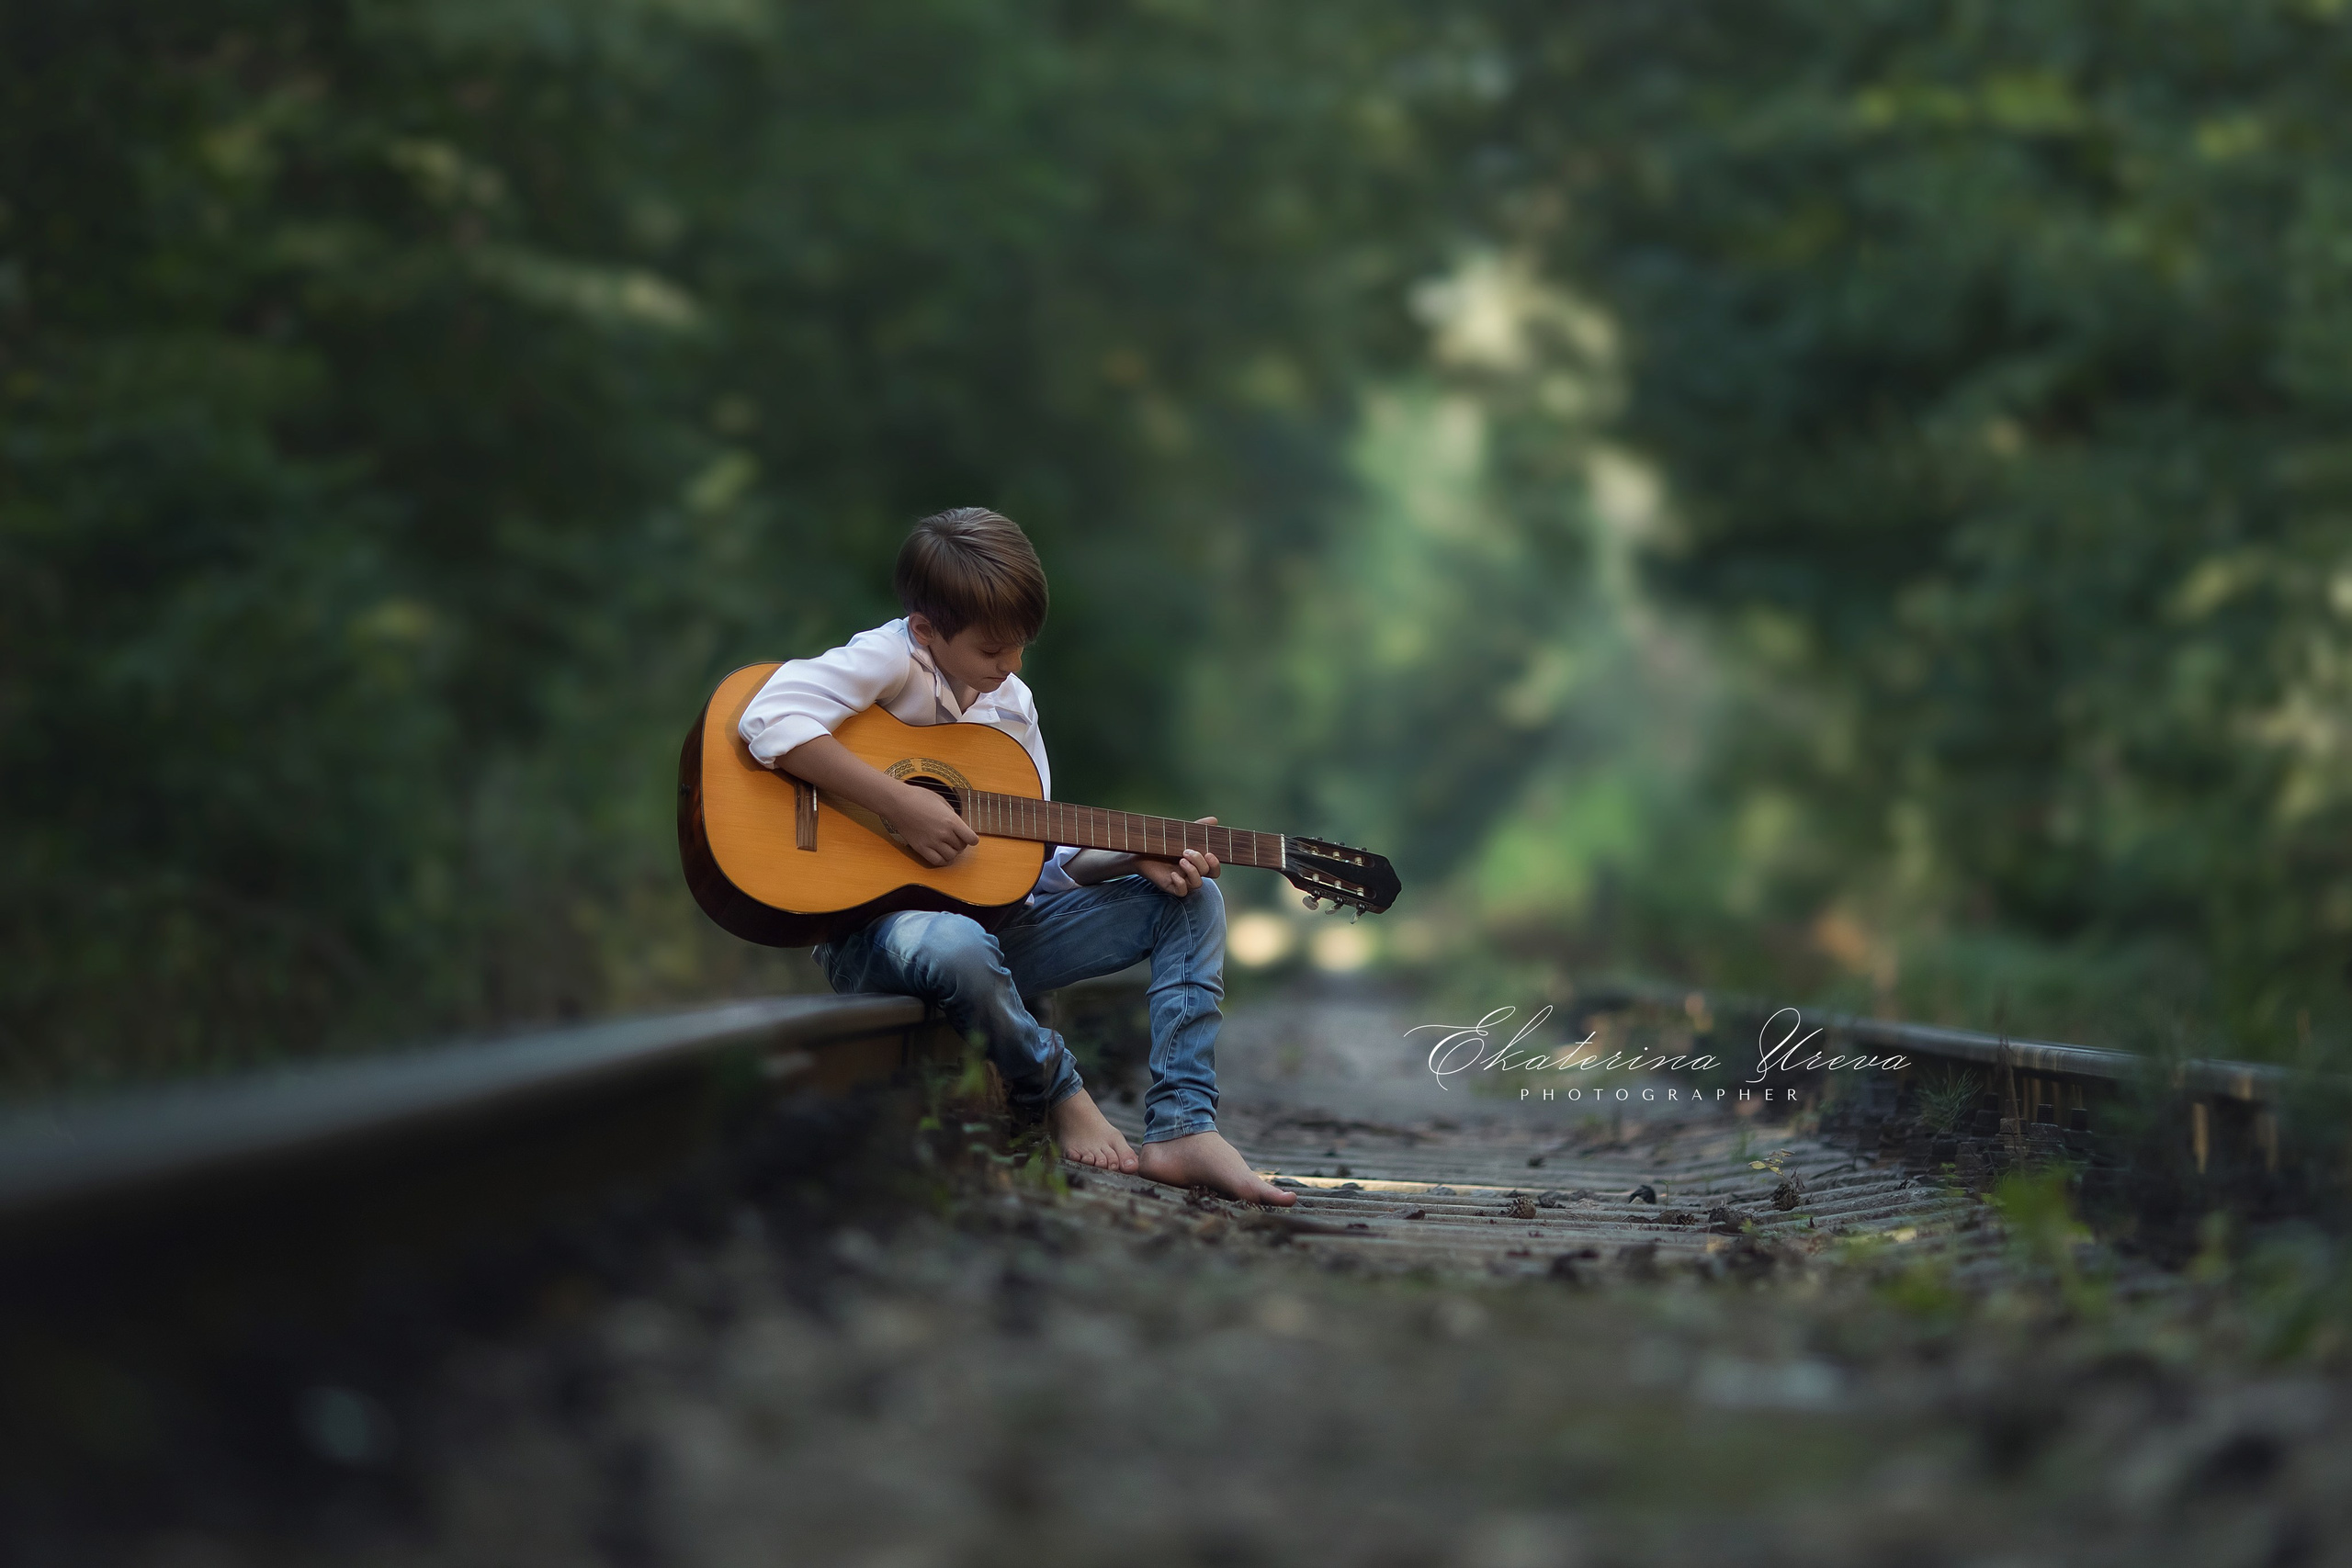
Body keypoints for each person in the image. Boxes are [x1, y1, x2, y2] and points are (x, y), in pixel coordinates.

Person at [737, 506, 1294, 1206]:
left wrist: (1127, 859)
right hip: (878, 938)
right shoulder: (886, 659)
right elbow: (765, 716)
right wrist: (899, 801)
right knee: (956, 941)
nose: (1012, 666)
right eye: (994, 650)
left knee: (1193, 899)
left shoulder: (1012, 707)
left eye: (1021, 648)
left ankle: (1183, 1125)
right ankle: (1060, 1089)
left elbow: (1033, 866)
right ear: (926, 630)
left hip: (991, 934)